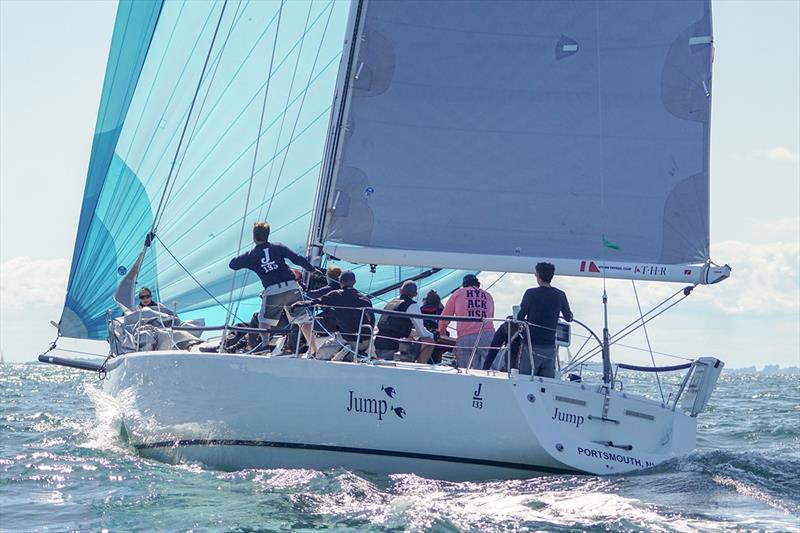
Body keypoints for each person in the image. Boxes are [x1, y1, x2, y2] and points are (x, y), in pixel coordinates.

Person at [228, 221, 321, 351]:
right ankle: (314, 350)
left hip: (273, 291)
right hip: (292, 287)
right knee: (303, 319)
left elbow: (232, 264)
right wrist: (311, 270)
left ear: (254, 236)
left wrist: (248, 257)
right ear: (268, 235)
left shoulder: (251, 255)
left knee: (264, 320)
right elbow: (297, 259)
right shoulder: (278, 246)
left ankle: (265, 345)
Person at [298, 270, 373, 361]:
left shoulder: (336, 295)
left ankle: (346, 353)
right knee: (353, 344)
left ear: (340, 281)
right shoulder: (365, 299)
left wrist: (298, 303)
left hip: (347, 338)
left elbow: (315, 301)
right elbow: (372, 320)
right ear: (354, 282)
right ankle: (355, 354)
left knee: (320, 355)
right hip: (365, 341)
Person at [516, 262, 573, 377]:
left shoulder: (530, 293)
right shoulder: (560, 295)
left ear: (538, 276)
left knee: (526, 380)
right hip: (549, 348)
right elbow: (569, 317)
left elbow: (520, 317)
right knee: (546, 383)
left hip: (531, 347)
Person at [438, 274, 495, 369]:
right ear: (478, 284)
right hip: (488, 334)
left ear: (464, 284)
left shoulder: (458, 293)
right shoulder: (488, 295)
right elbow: (491, 316)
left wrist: (442, 332)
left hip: (465, 336)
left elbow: (445, 317)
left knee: (463, 369)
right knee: (495, 367)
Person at [374, 281, 435, 364]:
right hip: (395, 349)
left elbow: (395, 327)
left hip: (378, 346)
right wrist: (433, 335)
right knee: (430, 341)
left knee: (411, 338)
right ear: (415, 294)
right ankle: (421, 367)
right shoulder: (412, 306)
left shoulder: (390, 303)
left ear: (400, 291)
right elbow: (422, 333)